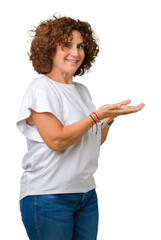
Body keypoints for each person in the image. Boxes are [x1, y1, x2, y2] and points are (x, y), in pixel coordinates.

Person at [16, 14, 145, 240]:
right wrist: (97, 115)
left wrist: (108, 119)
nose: (75, 53)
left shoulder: (82, 91)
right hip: (48, 196)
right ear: (49, 49)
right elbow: (56, 141)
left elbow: (91, 140)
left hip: (85, 195)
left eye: (80, 46)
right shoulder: (41, 88)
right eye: (66, 45)